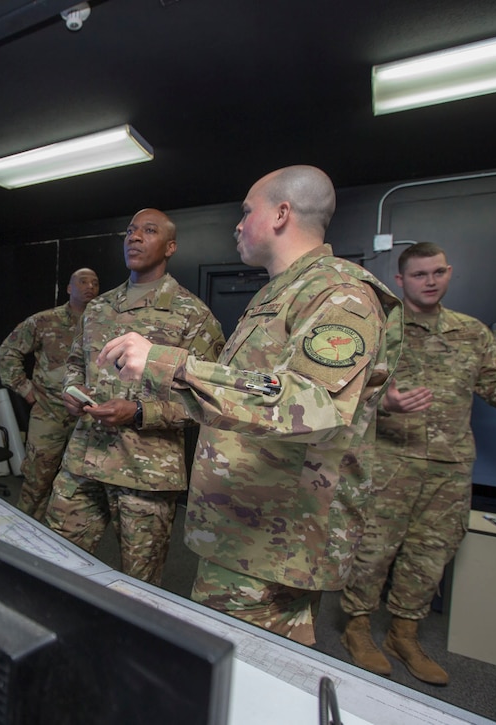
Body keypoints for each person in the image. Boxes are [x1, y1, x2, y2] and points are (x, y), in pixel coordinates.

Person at [97, 166, 402, 645]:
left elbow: (314, 404)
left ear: (282, 214)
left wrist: (168, 364)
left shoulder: (340, 293)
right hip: (244, 527)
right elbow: (254, 392)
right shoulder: (281, 293)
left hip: (275, 540)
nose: (237, 225)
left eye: (246, 211)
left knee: (247, 678)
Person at [338, 241, 496, 685]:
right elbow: (345, 388)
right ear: (401, 280)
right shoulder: (380, 328)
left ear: (449, 273)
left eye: (437, 272)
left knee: (430, 555)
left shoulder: (472, 333)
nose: (430, 281)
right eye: (419, 274)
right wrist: (386, 402)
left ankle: (404, 633)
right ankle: (357, 627)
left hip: (449, 467)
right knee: (371, 550)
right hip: (388, 460)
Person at [44, 208, 225, 586]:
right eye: (129, 231)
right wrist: (71, 392)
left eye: (149, 230)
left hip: (146, 473)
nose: (134, 237)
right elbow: (76, 363)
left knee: (139, 586)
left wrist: (140, 411)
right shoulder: (98, 307)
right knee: (55, 562)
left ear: (170, 246)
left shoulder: (193, 315)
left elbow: (208, 401)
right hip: (84, 460)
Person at [0, 267, 100, 521]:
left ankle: (62, 543)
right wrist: (26, 390)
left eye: (95, 283)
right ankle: (23, 534)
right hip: (50, 412)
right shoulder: (44, 321)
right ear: (69, 288)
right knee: (37, 480)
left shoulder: (102, 324)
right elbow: (8, 351)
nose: (90, 287)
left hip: (88, 416)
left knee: (83, 486)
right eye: (83, 281)